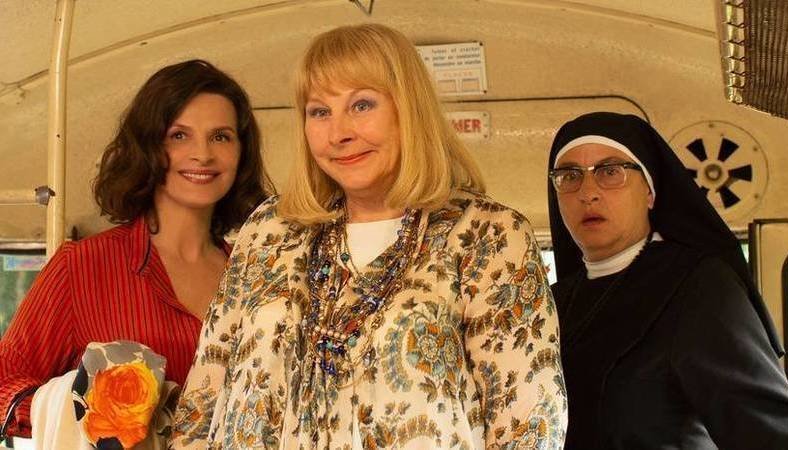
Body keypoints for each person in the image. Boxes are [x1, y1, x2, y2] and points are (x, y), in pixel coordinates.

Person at [172, 24, 566, 449]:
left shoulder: (488, 235)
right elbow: (204, 397)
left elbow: (529, 424)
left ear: (408, 109)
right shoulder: (269, 229)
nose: (338, 133)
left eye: (361, 105)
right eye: (319, 112)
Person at [0, 59, 273, 439]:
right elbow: (4, 383)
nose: (203, 154)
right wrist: (89, 413)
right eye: (179, 135)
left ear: (242, 152)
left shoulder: (258, 279)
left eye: (221, 137)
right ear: (147, 146)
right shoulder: (81, 267)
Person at [547, 111, 788, 449]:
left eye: (610, 172)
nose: (587, 192)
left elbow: (771, 433)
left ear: (650, 192)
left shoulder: (697, 286)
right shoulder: (550, 304)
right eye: (569, 176)